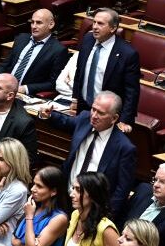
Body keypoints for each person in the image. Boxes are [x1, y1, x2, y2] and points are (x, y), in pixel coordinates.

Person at [44, 90, 136, 218]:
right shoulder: (84, 119)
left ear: (114, 118)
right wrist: (48, 115)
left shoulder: (124, 148)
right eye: (93, 109)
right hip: (66, 196)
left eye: (101, 113)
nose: (94, 116)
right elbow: (65, 122)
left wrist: (107, 216)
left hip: (93, 210)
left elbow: (122, 189)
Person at [70, 8, 140, 128]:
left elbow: (131, 91)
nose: (95, 27)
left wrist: (125, 120)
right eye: (94, 22)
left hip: (107, 114)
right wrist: (75, 98)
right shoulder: (87, 39)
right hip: (83, 107)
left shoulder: (127, 54)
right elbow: (80, 71)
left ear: (113, 28)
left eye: (100, 24)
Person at [0, 8, 69, 96]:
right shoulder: (21, 38)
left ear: (51, 24)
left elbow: (53, 83)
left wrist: (26, 88)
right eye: (32, 22)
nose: (34, 26)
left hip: (25, 95)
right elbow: (5, 65)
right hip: (3, 89)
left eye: (39, 23)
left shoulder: (58, 50)